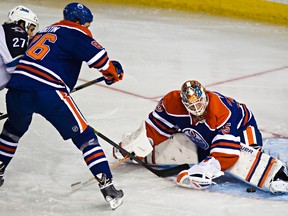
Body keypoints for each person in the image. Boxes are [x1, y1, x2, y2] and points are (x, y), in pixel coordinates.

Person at [0, 2, 124, 210]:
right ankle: (108, 186)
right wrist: (113, 72)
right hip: (49, 92)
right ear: (77, 21)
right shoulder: (75, 31)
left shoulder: (42, 33)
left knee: (13, 130)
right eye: (86, 24)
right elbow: (100, 60)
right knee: (85, 137)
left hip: (17, 91)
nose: (87, 27)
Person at [113, 80, 288, 194]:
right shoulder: (171, 103)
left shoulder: (222, 110)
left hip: (242, 129)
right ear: (183, 102)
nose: (197, 109)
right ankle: (205, 155)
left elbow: (227, 152)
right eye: (191, 105)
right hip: (206, 139)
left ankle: (278, 176)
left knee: (243, 156)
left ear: (205, 95)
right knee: (195, 149)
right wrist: (138, 144)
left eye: (199, 103)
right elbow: (155, 128)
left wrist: (206, 169)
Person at [0, 5, 39, 91]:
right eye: (31, 30)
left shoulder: (4, 31)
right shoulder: (16, 31)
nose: (32, 34)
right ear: (22, 24)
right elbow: (16, 68)